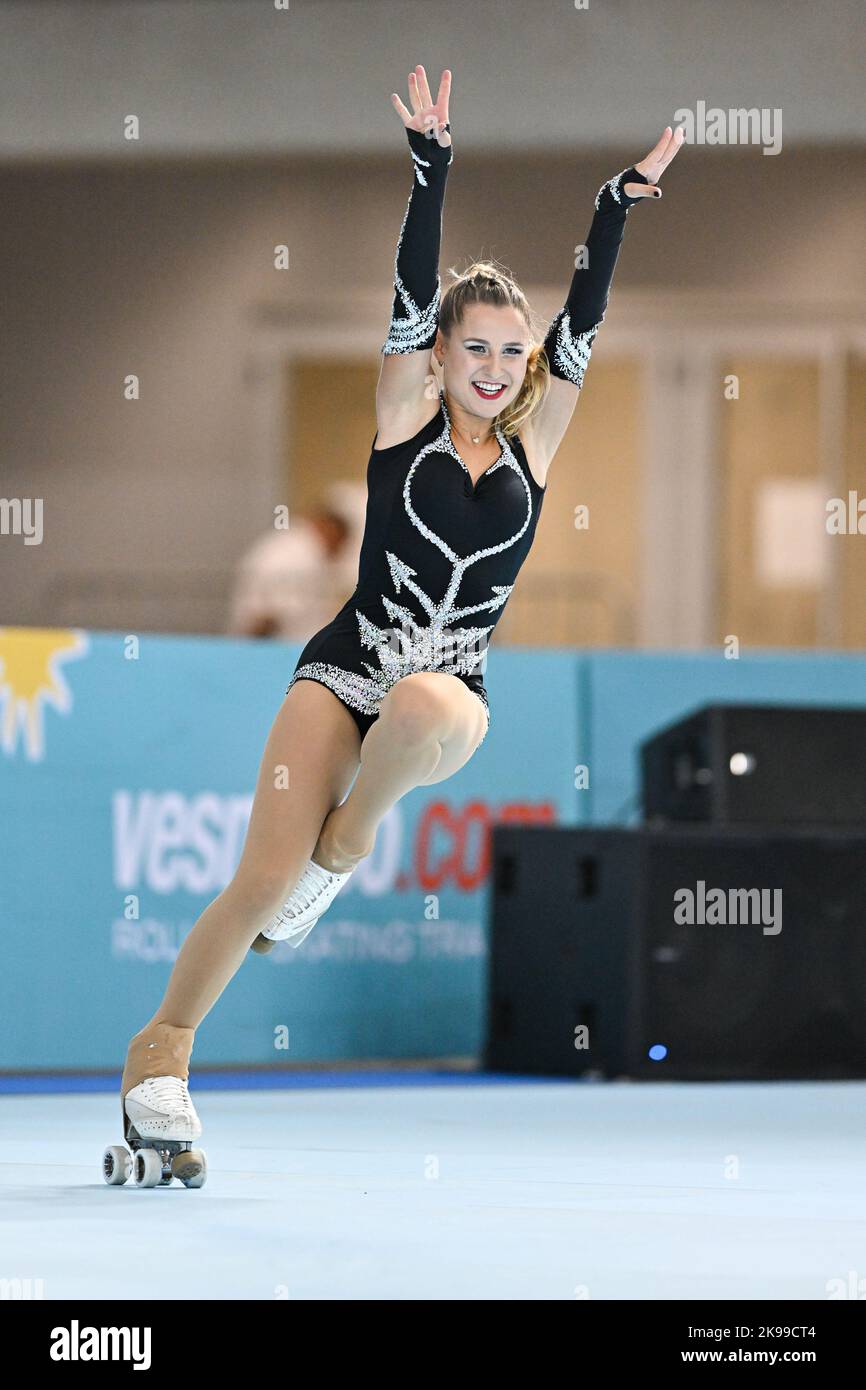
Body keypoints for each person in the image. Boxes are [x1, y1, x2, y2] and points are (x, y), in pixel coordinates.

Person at [112, 65, 682, 1185]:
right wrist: (432, 172)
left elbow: (584, 324)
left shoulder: (535, 444)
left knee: (424, 706)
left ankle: (350, 839)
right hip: (341, 673)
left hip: (446, 699)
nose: (495, 366)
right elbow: (412, 286)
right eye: (473, 348)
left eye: (510, 352)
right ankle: (159, 1063)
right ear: (437, 354)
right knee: (259, 884)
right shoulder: (398, 421)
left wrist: (613, 206)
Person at [227, 481, 366, 641]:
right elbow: (266, 619)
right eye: (342, 543)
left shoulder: (295, 545)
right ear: (331, 530)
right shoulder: (296, 556)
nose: (340, 552)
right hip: (276, 651)